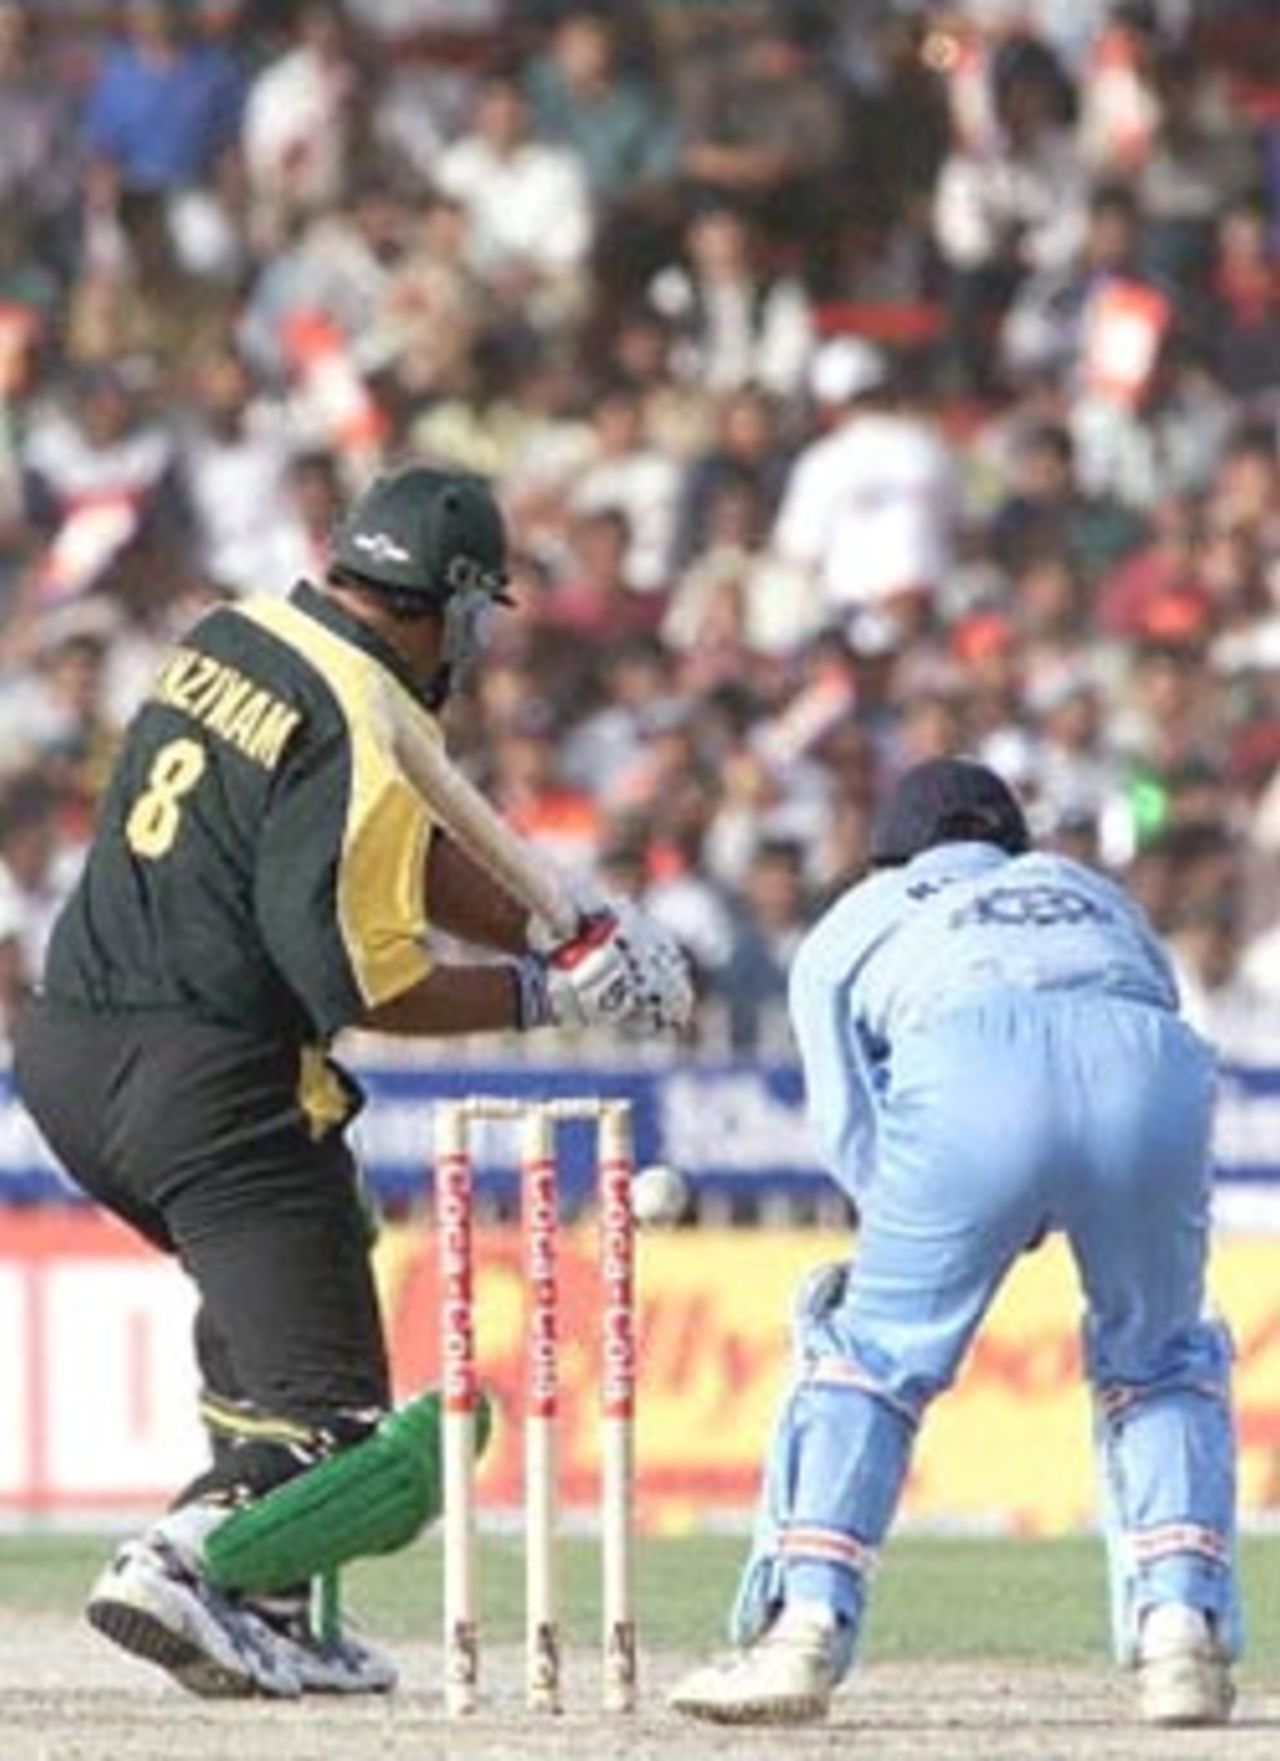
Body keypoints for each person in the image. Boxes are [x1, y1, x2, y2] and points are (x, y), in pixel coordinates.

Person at [13, 462, 691, 1700]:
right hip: (211, 1079)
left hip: (70, 1053)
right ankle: (187, 1561)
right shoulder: (369, 723)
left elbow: (398, 847)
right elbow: (368, 985)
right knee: (338, 1430)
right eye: (477, 618)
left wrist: (551, 928)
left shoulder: (238, 633)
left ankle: (263, 1608)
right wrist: (552, 996)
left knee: (268, 1353)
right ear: (450, 603)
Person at [670, 756, 1239, 1728]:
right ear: (1011, 844)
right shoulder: (1080, 888)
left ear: (888, 850)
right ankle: (1177, 1636)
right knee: (1159, 1354)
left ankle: (800, 1632)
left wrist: (939, 1225)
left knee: (870, 1355)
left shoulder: (859, 915)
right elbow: (1144, 1018)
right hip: (1152, 1073)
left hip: (968, 1069)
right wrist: (1049, 1196)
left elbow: (848, 1130)